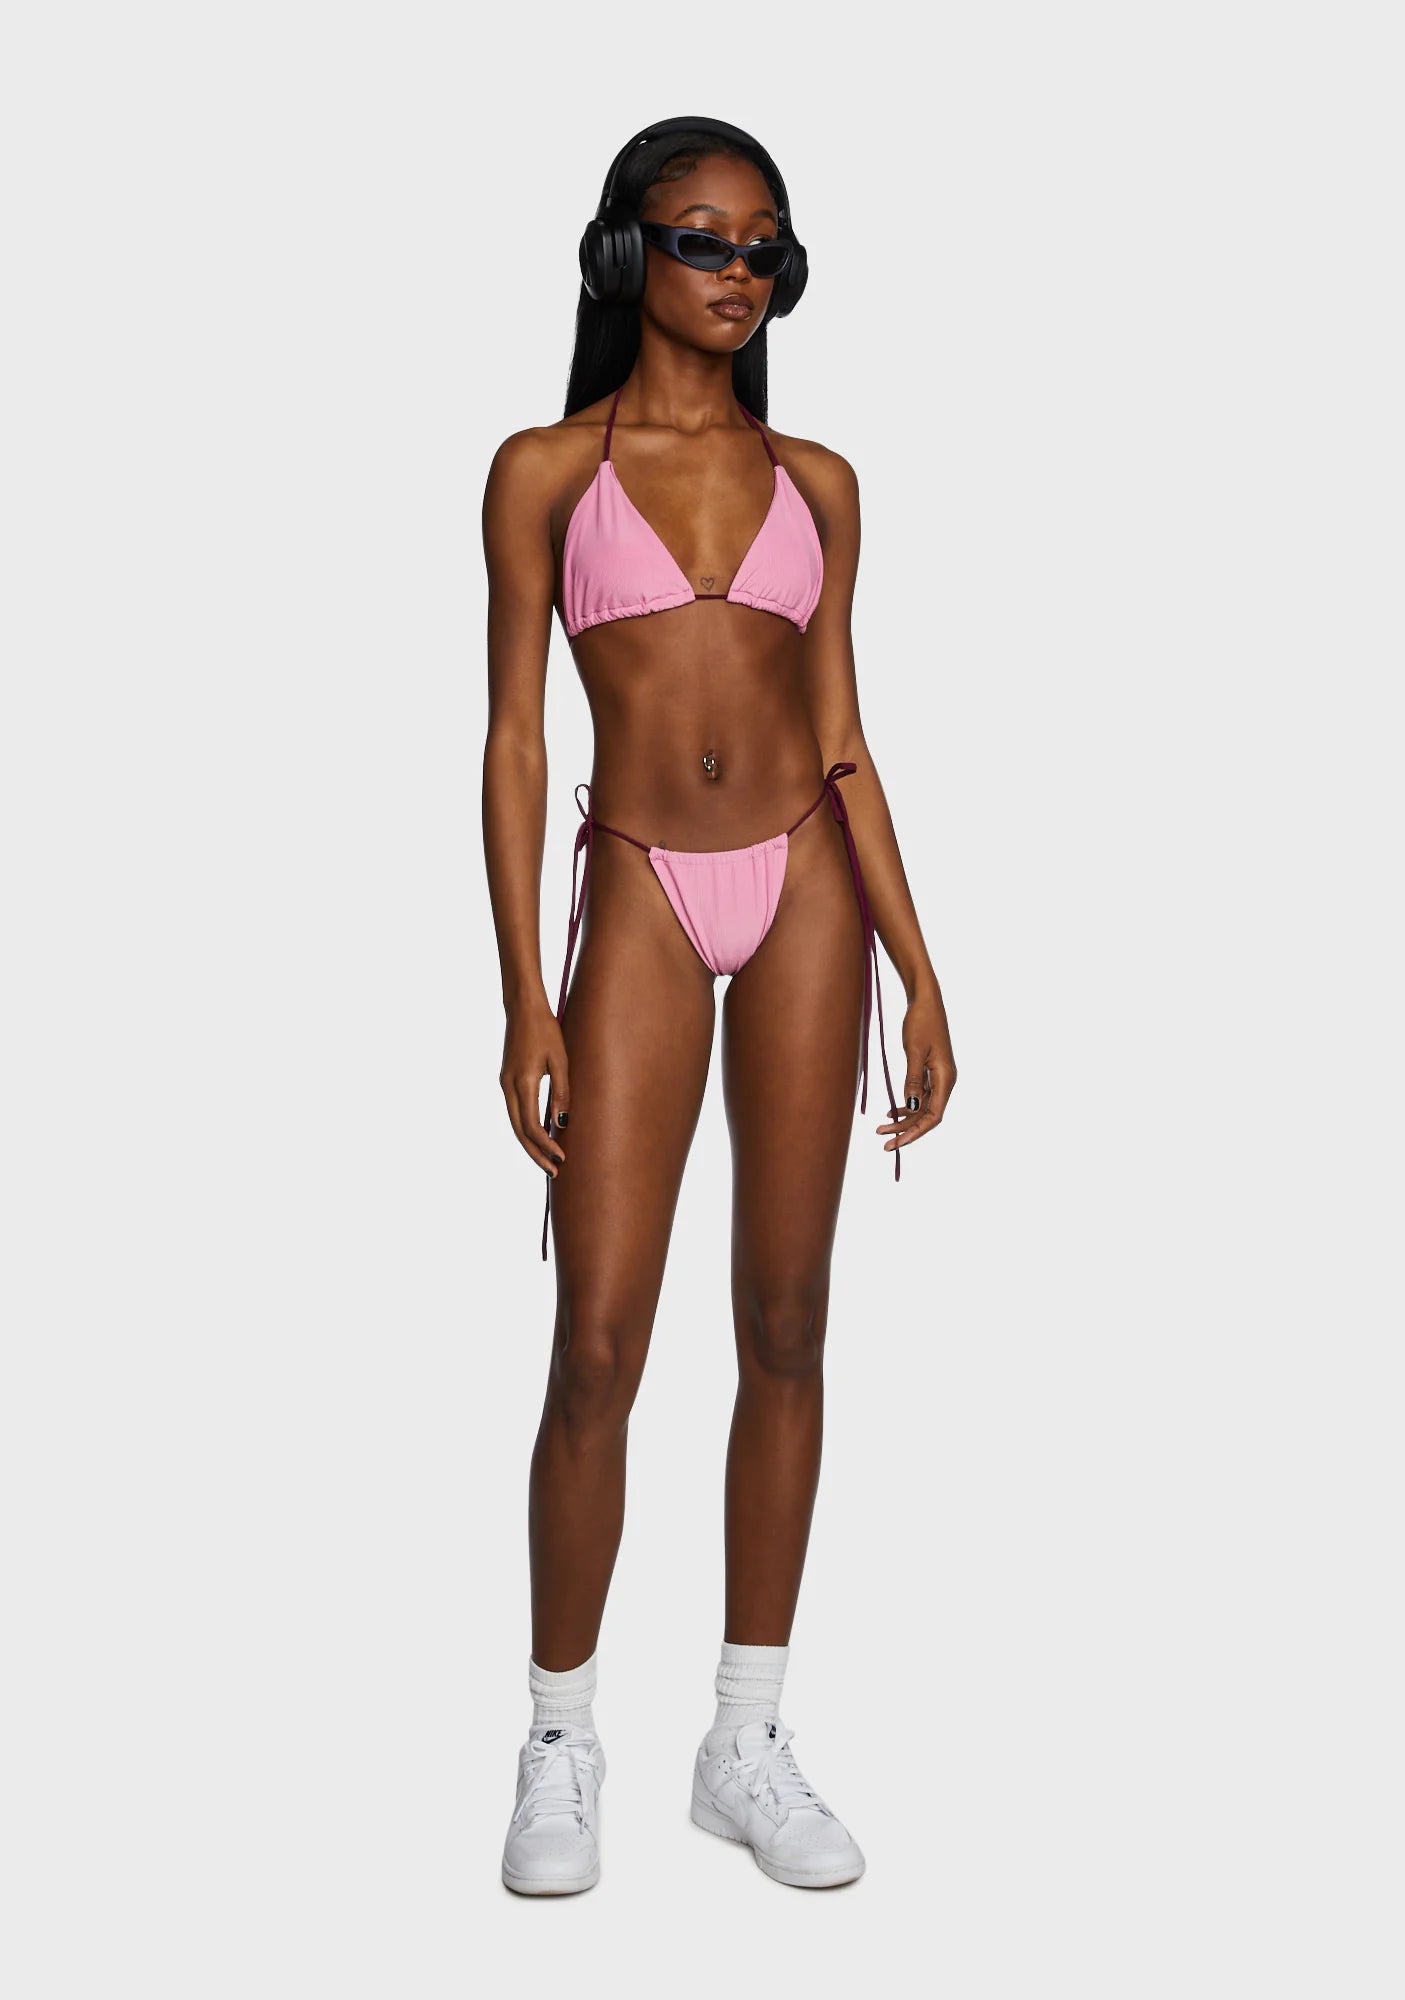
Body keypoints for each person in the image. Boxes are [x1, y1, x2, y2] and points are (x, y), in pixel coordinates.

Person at [482, 117, 956, 1894]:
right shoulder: (544, 470)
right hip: (641, 896)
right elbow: (515, 741)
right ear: (626, 256)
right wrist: (522, 995)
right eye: (702, 240)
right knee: (597, 1338)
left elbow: (841, 737)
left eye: (765, 247)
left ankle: (741, 1738)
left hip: (807, 886)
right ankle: (558, 1736)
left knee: (786, 1319)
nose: (738, 274)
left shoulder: (820, 480)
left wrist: (919, 962)